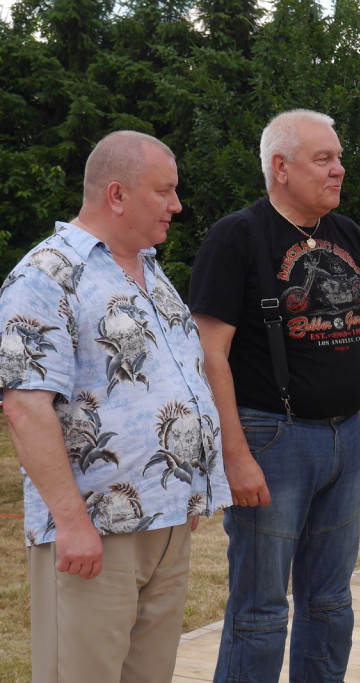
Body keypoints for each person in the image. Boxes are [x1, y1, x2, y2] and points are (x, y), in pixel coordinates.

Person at [189, 108, 360, 682]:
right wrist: (235, 455)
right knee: (261, 610)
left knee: (331, 603)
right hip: (271, 438)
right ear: (280, 168)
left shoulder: (347, 234)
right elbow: (209, 354)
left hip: (345, 438)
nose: (339, 169)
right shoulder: (237, 236)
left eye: (338, 158)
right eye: (324, 159)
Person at [0, 130, 229, 682]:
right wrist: (72, 523)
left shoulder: (150, 270)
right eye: (165, 191)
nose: (177, 205)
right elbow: (24, 408)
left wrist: (185, 491)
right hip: (94, 533)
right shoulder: (45, 276)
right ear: (118, 195)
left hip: (167, 520)